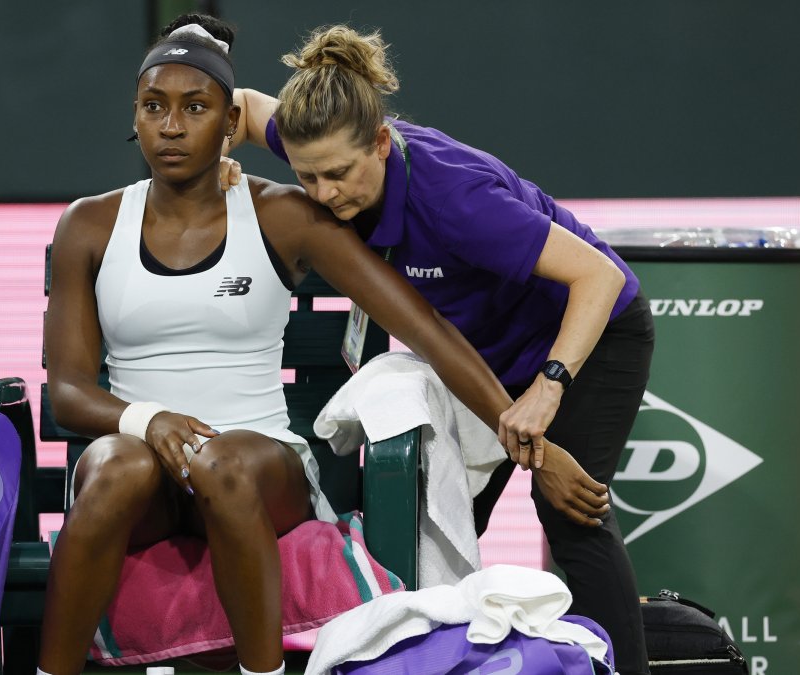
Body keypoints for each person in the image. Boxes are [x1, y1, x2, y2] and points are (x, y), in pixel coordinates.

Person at [38, 14, 611, 675]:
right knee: (116, 467)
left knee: (218, 462)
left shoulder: (284, 215)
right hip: (137, 457)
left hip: (254, 461)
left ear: (231, 123)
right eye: (153, 107)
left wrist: (536, 454)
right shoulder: (89, 223)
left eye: (194, 108)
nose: (171, 126)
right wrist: (149, 420)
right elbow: (70, 392)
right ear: (133, 118)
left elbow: (426, 327)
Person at [221, 24, 656, 675]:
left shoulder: (456, 198)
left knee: (568, 509)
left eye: (339, 174)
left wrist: (548, 390)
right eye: (307, 178)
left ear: (380, 141)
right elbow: (246, 107)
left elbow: (600, 276)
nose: (324, 195)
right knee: (433, 518)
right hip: (482, 354)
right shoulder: (315, 138)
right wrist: (215, 158)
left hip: (586, 334)